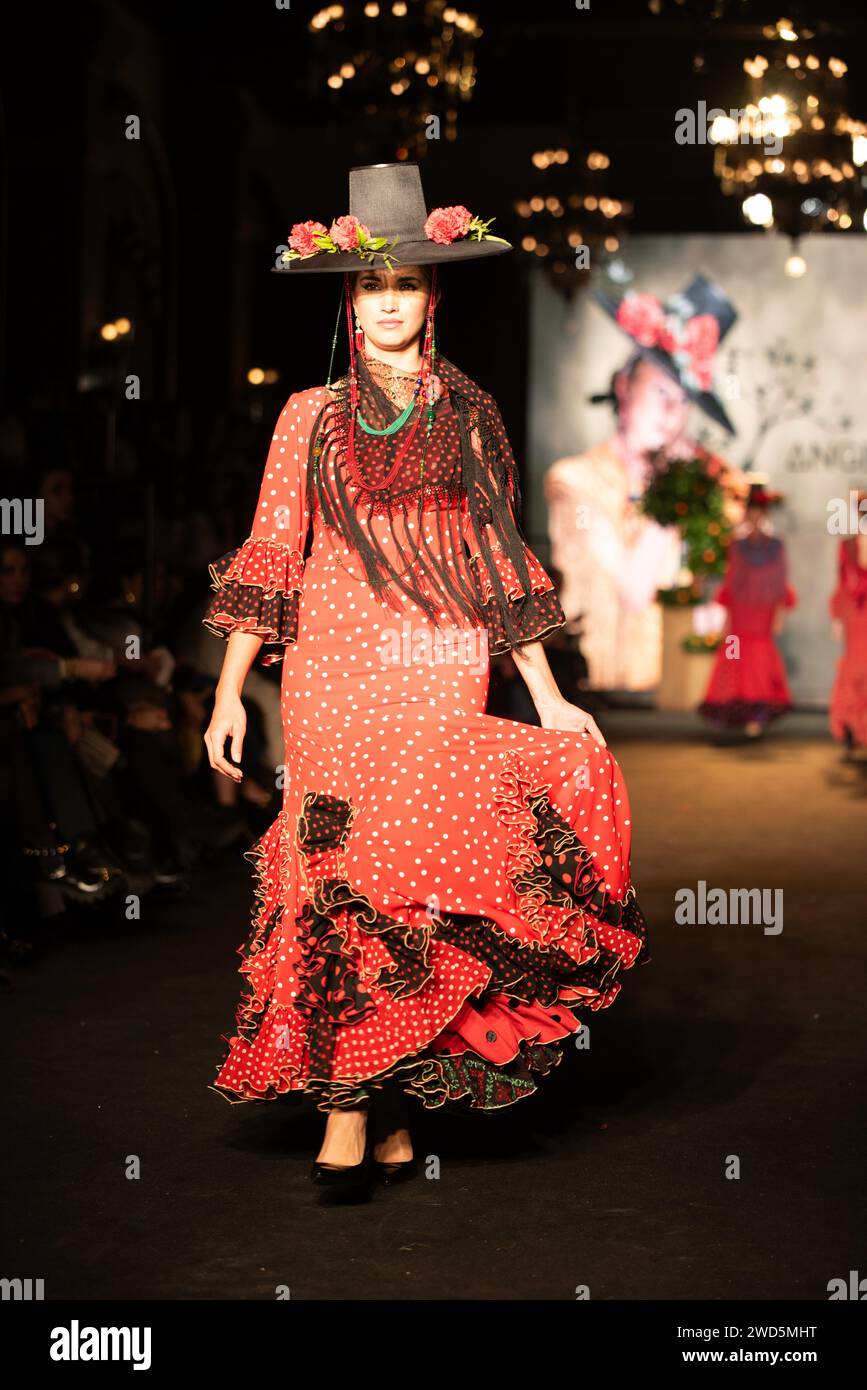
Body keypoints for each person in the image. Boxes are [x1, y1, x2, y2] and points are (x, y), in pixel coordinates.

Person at [201, 162, 650, 1202]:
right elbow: (273, 549)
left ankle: (386, 1096)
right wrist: (230, 688)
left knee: (423, 870)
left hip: (442, 655)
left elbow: (497, 554)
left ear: (432, 293)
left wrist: (543, 690)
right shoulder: (307, 416)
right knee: (342, 865)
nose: (388, 299)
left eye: (405, 281)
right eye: (368, 285)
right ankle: (354, 1105)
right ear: (348, 301)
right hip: (331, 662)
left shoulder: (469, 411)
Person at [544, 275, 737, 693]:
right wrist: (677, 492)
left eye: (686, 402)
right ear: (624, 388)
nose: (674, 415)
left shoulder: (704, 480)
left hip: (675, 695)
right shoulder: (574, 479)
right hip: (593, 687)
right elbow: (633, 587)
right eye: (663, 394)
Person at [698, 483, 797, 737]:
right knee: (734, 653)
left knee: (760, 656)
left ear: (765, 514)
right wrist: (727, 618)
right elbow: (731, 582)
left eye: (759, 511)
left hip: (763, 612)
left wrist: (779, 613)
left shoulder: (776, 545)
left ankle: (757, 714)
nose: (755, 516)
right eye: (751, 511)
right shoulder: (736, 544)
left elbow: (780, 582)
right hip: (740, 612)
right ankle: (733, 708)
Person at [828, 490, 867, 754]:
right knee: (856, 672)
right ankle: (854, 728)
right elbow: (844, 584)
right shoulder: (848, 546)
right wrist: (837, 619)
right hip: (857, 618)